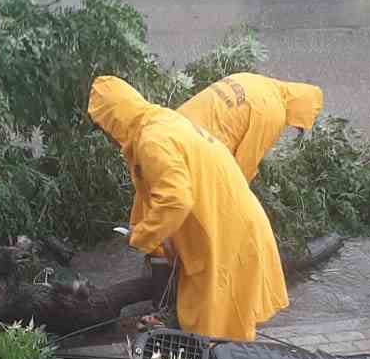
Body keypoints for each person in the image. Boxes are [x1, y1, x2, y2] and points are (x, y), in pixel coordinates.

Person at [88, 76, 289, 341]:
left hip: (225, 239)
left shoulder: (152, 142)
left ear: (113, 121)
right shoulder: (162, 122)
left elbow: (175, 199)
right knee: (214, 328)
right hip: (228, 228)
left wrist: (142, 236)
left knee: (213, 334)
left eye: (104, 129)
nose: (109, 138)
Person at [175, 73, 324, 182]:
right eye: (299, 125)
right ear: (301, 111)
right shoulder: (274, 112)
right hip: (196, 149)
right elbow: (243, 166)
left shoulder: (253, 80)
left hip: (174, 125)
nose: (295, 127)